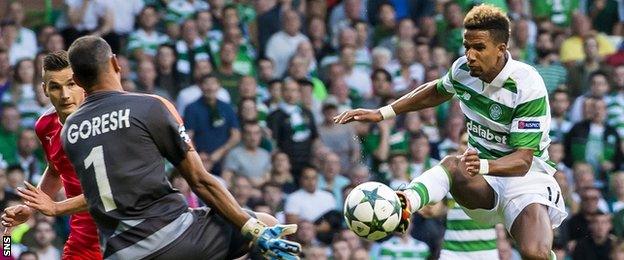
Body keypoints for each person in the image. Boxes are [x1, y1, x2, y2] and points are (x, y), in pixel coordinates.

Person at [335, 5, 566, 259]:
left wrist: (483, 165)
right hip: (481, 184)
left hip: (526, 179)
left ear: (501, 49)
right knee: (454, 165)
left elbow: (523, 161)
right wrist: (383, 113)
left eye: (479, 47)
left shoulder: (526, 84)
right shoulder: (463, 71)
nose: (470, 55)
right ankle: (404, 203)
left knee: (535, 252)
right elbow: (436, 91)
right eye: (467, 46)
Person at [60, 36, 300, 259]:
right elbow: (200, 181)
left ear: (77, 81)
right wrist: (253, 228)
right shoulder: (148, 107)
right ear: (115, 62)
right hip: (171, 237)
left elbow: (101, 193)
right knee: (267, 224)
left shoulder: (69, 130)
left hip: (118, 252)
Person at [0, 51, 99, 259]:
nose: (64, 95)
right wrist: (30, 210)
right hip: (83, 238)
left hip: (124, 232)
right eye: (55, 86)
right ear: (45, 90)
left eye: (71, 84)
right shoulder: (16, 240)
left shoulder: (105, 119)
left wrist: (53, 207)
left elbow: (110, 191)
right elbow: (55, 169)